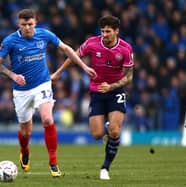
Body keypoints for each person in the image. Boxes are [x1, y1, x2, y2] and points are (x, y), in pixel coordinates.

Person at [0, 9, 96, 177]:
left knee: (47, 119)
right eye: (24, 24)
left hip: (43, 83)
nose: (27, 28)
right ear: (19, 24)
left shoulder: (44, 35)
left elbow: (67, 49)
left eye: (30, 24)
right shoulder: (10, 41)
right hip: (21, 91)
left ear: (36, 23)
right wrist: (13, 75)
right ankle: (24, 151)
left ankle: (53, 163)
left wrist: (84, 67)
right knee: (26, 131)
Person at [51, 15, 134, 180]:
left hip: (115, 91)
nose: (104, 34)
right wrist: (59, 72)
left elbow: (129, 77)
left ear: (116, 31)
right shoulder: (91, 43)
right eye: (102, 31)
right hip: (96, 91)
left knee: (115, 131)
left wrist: (112, 86)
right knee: (96, 134)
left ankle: (105, 168)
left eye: (108, 31)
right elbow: (74, 56)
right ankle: (107, 130)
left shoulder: (125, 49)